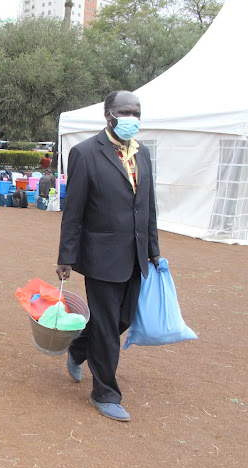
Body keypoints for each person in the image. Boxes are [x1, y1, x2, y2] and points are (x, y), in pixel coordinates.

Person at [56, 90, 160, 422]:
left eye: (137, 112)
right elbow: (73, 212)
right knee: (104, 324)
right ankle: (105, 393)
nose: (132, 118)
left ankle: (78, 348)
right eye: (125, 111)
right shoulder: (85, 153)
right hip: (100, 255)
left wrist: (154, 250)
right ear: (108, 114)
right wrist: (66, 256)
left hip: (135, 255)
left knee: (122, 320)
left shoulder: (142, 155)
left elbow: (148, 207)